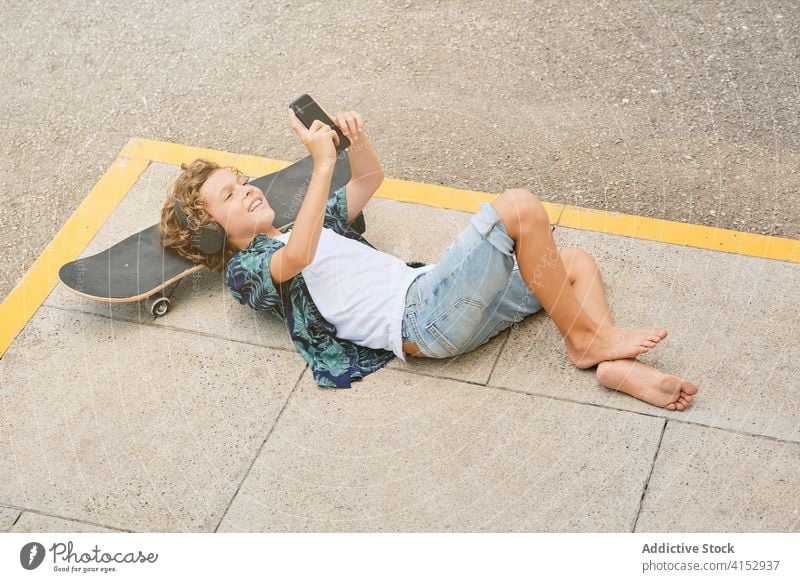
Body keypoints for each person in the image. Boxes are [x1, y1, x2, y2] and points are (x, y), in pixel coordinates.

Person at [160, 108, 698, 411]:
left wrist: (353, 142)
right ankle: (585, 341)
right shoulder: (245, 269)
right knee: (517, 208)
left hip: (436, 299)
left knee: (575, 261)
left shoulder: (308, 223)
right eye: (230, 196)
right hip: (420, 318)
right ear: (212, 232)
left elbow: (369, 180)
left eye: (243, 181)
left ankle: (612, 366)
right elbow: (296, 256)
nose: (249, 190)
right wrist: (319, 165)